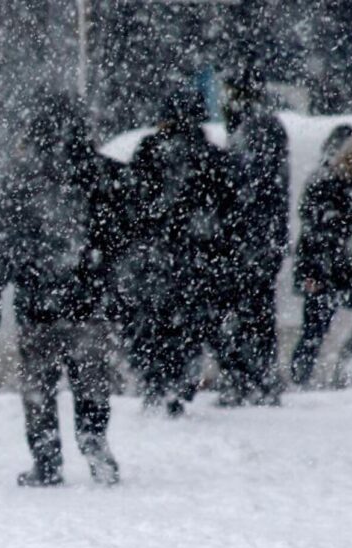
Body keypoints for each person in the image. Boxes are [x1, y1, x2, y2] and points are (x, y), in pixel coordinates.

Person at [0, 91, 120, 487]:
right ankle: (94, 444)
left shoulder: (23, 178)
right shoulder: (99, 174)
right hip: (87, 302)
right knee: (90, 383)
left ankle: (47, 460)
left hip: (38, 302)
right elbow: (119, 239)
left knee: (39, 388)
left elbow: (1, 242)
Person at [125, 89, 235, 416]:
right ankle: (180, 385)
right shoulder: (212, 156)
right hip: (199, 258)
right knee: (190, 326)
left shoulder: (148, 150)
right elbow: (228, 210)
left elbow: (131, 201)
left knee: (152, 323)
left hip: (155, 256)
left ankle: (154, 383)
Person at [290, 125, 352, 386]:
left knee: (322, 327)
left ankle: (347, 363)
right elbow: (320, 229)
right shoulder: (323, 182)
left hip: (339, 272)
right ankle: (304, 378)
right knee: (315, 330)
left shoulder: (344, 185)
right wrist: (314, 274)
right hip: (321, 272)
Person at [219, 68, 290, 406]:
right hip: (259, 239)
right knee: (255, 311)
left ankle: (251, 381)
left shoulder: (257, 128)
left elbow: (248, 184)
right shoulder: (263, 126)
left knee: (250, 311)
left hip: (251, 241)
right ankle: (254, 379)